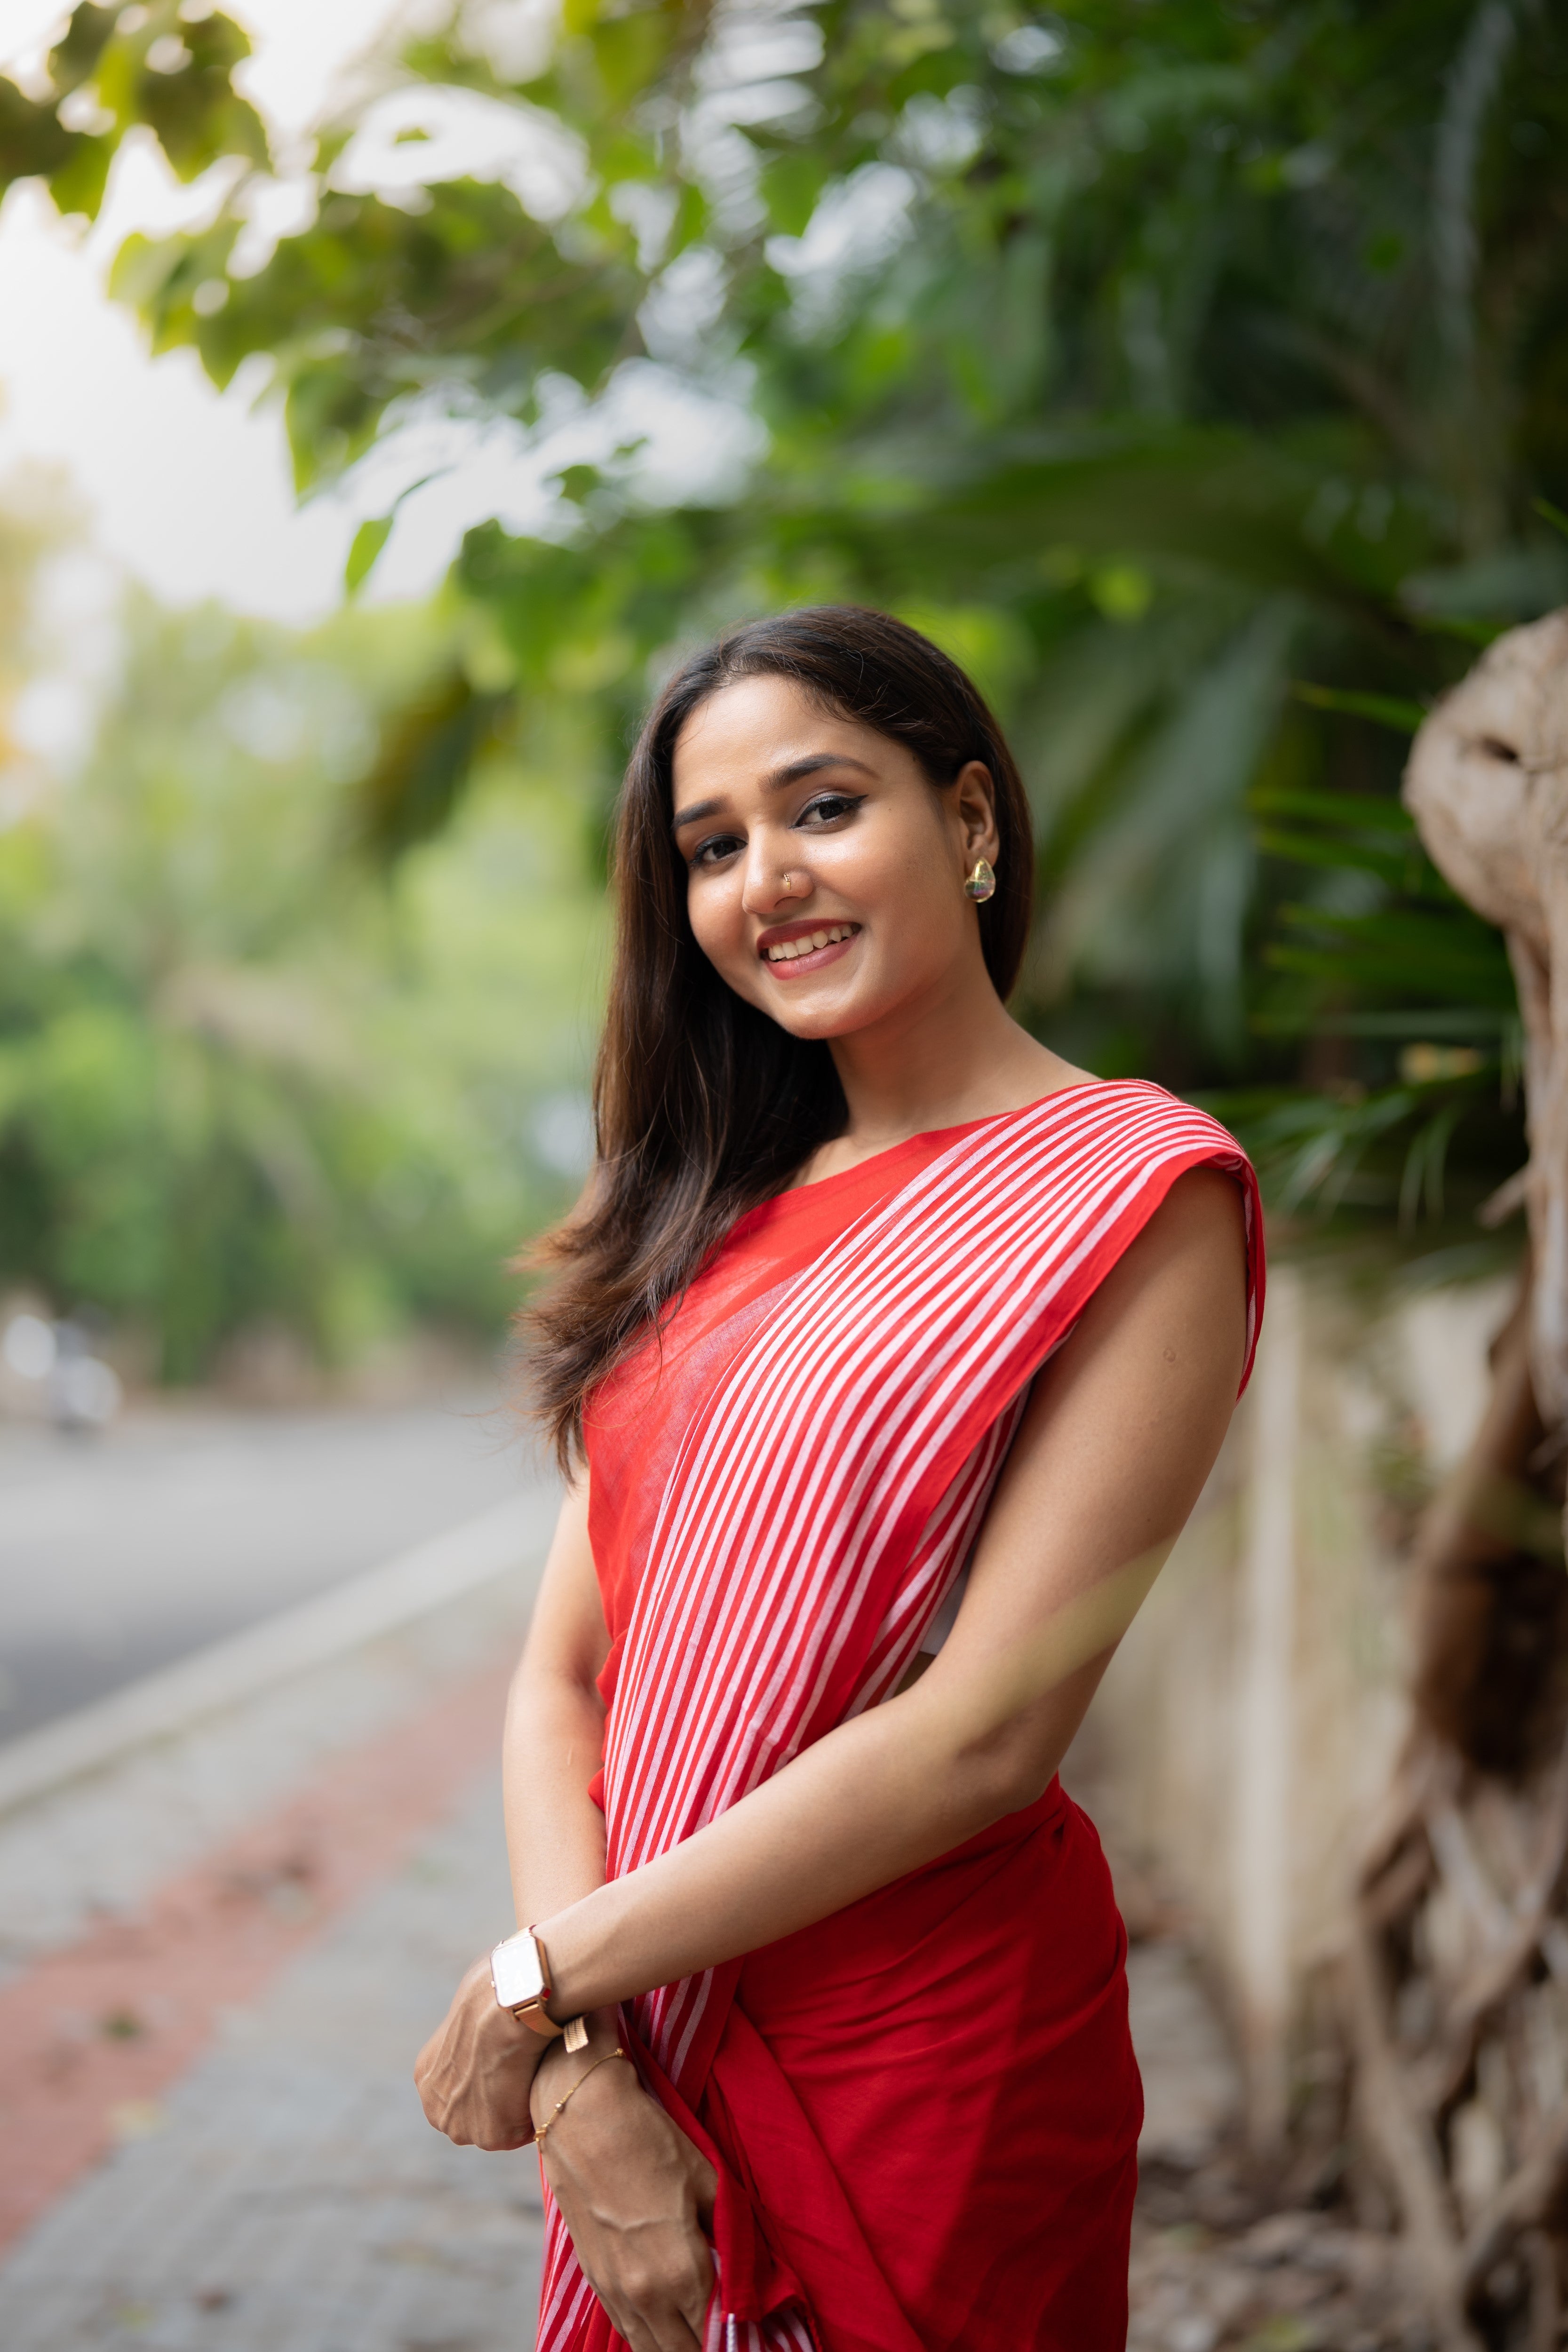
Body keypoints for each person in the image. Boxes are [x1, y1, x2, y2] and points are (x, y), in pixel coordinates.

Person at [414, 607, 1262, 2352]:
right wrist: (580, 2077)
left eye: (819, 808)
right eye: (712, 848)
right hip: (649, 2033)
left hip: (925, 2062)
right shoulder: (715, 1222)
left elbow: (985, 1734)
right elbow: (569, 1677)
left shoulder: (1136, 1191)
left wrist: (539, 1981)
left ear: (967, 820)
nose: (765, 881)